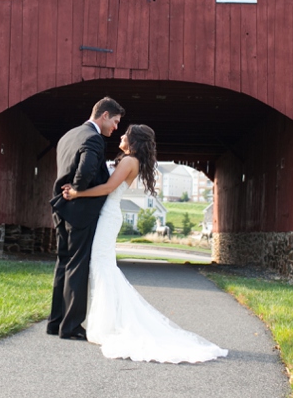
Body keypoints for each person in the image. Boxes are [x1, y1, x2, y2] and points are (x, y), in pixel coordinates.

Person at [62, 124, 228, 364]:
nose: (120, 135)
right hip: (107, 215)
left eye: (125, 134)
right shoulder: (129, 160)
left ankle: (109, 324)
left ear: (134, 141)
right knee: (101, 267)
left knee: (102, 267)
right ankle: (104, 321)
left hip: (109, 216)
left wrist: (77, 193)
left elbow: (109, 188)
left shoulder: (130, 161)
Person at [47, 97, 125, 340]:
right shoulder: (94, 139)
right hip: (80, 211)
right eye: (115, 121)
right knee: (77, 266)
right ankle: (70, 327)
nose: (116, 128)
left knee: (63, 263)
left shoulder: (68, 135)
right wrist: (79, 189)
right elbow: (87, 168)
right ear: (104, 116)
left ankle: (55, 323)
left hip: (60, 209)